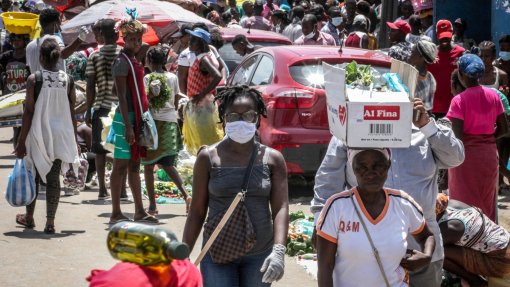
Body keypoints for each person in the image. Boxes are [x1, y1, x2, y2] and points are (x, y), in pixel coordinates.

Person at [312, 98, 465, 286]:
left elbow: (456, 158)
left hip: (423, 253)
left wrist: (427, 126)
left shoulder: (423, 133)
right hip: (366, 257)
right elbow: (327, 184)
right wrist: (323, 230)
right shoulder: (349, 135)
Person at [182, 86, 289, 286]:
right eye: (233, 116)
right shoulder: (208, 158)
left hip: (260, 255)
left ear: (258, 118)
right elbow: (196, 211)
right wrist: (183, 254)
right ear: (223, 119)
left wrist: (279, 250)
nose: (241, 122)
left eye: (248, 115)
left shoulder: (273, 159)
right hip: (217, 253)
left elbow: (281, 208)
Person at [317, 149, 436, 287]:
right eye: (362, 167)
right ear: (353, 169)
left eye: (378, 166)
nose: (370, 173)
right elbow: (325, 265)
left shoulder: (403, 203)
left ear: (388, 165)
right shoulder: (337, 206)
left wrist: (427, 256)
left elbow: (426, 236)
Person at [14, 38, 80, 234]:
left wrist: (20, 141)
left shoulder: (34, 79)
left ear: (41, 57)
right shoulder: (68, 80)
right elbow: (72, 112)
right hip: (60, 135)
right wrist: (74, 140)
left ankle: (29, 217)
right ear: (58, 57)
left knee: (33, 176)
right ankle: (50, 223)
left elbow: (28, 112)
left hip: (39, 134)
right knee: (53, 180)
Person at [447, 54, 509, 222]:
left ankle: (467, 242)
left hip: (465, 159)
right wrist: (486, 139)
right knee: (486, 201)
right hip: (488, 155)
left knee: (462, 205)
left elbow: (457, 136)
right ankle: (488, 240)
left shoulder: (458, 101)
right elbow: (504, 129)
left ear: (461, 74)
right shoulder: (494, 96)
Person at [109, 15, 158, 224]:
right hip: (126, 119)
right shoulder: (122, 61)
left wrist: (134, 28)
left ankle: (139, 210)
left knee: (135, 166)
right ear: (123, 39)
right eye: (131, 40)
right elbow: (120, 95)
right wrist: (129, 127)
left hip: (136, 117)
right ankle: (115, 212)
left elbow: (145, 45)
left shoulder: (134, 59)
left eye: (138, 39)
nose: (136, 43)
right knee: (120, 165)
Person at [142, 45, 190, 217]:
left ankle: (153, 206)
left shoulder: (147, 78)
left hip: (154, 126)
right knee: (167, 164)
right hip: (170, 123)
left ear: (148, 61)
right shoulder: (173, 77)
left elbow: (145, 102)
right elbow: (176, 101)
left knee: (148, 167)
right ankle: (186, 195)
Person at [436, 194, 510, 286]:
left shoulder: (447, 228)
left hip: (501, 262)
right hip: (506, 243)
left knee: (437, 253)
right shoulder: (452, 203)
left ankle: (476, 281)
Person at [85, 19, 121, 200]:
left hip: (101, 107)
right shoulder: (124, 54)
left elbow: (90, 86)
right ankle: (121, 189)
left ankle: (102, 189)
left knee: (100, 150)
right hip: (120, 108)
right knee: (120, 149)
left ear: (100, 35)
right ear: (117, 34)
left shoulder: (94, 56)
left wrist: (87, 109)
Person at [181, 28, 223, 155]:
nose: (190, 42)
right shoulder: (203, 57)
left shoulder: (204, 59)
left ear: (201, 43)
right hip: (202, 104)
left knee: (204, 139)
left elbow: (217, 76)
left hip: (202, 106)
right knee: (205, 137)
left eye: (193, 40)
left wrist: (201, 94)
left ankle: (208, 165)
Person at [26, 8, 89, 74]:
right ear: (54, 24)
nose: (60, 27)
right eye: (59, 23)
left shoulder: (29, 46)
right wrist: (80, 39)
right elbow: (63, 54)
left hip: (35, 83)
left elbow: (28, 69)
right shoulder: (55, 39)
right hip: (54, 83)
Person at [428, 20, 465, 118]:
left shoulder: (461, 53)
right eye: (442, 37)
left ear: (452, 33)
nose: (444, 40)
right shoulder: (431, 53)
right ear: (436, 35)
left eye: (447, 37)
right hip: (434, 108)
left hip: (455, 106)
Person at [408, 39, 437, 112]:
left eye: (412, 52)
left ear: (421, 57)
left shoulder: (411, 78)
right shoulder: (430, 78)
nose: (410, 54)